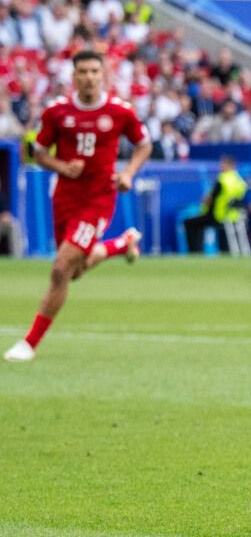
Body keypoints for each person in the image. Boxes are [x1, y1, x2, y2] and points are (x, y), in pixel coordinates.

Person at [4, 50, 152, 363]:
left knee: (60, 267)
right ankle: (121, 244)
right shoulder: (57, 112)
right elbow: (38, 152)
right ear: (73, 76)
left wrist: (127, 173)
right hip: (64, 198)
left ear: (103, 75)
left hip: (98, 199)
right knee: (74, 272)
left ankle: (29, 343)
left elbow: (144, 143)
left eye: (94, 71)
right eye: (82, 71)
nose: (88, 77)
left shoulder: (119, 111)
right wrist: (60, 166)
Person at [183, 155, 247, 253]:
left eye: (223, 164)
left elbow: (210, 199)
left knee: (190, 223)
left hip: (219, 215)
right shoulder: (240, 181)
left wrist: (205, 201)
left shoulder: (223, 179)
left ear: (230, 165)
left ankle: (196, 251)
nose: (220, 166)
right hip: (236, 216)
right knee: (198, 223)